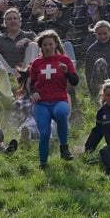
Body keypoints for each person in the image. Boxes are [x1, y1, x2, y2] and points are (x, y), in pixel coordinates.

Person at [29, 29, 78, 169]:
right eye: (45, 45)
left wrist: (67, 72)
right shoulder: (36, 63)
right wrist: (34, 92)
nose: (48, 47)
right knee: (44, 133)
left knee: (61, 112)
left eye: (50, 44)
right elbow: (32, 83)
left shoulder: (64, 60)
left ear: (56, 44)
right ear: (41, 46)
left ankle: (64, 147)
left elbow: (75, 81)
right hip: (41, 103)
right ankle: (43, 163)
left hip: (59, 100)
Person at [84, 20, 110, 96]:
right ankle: (102, 94)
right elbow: (88, 72)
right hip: (99, 83)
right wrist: (91, 91)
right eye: (99, 34)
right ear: (95, 34)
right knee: (101, 62)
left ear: (109, 32)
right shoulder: (91, 50)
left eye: (105, 33)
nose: (102, 36)